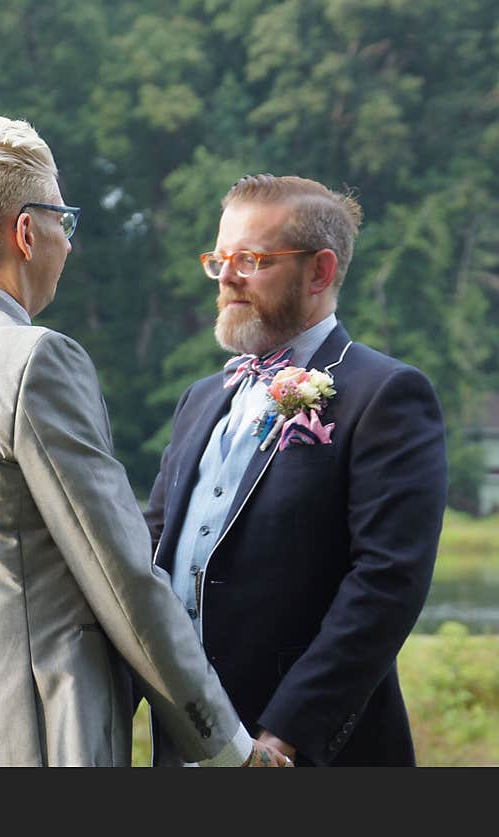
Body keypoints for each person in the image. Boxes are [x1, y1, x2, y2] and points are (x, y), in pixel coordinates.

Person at [0, 116, 287, 767]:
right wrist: (226, 744)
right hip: (36, 738)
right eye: (64, 222)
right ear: (27, 231)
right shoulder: (33, 362)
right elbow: (123, 576)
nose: (69, 244)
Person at [145, 174, 448, 766]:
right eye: (220, 259)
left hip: (303, 752)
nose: (227, 277)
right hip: (182, 748)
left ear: (320, 272)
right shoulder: (201, 399)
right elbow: (152, 556)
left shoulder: (386, 395)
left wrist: (285, 735)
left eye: (251, 259)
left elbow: (386, 584)